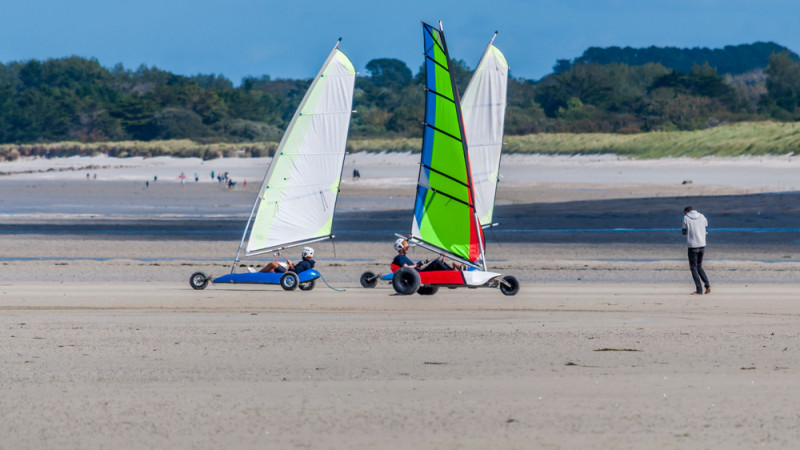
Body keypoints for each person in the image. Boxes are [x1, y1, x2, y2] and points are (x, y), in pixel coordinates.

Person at [682, 206, 711, 295]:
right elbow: (707, 231)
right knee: (699, 266)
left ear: (686, 212)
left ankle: (699, 290)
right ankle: (707, 285)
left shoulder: (686, 218)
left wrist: (690, 235)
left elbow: (684, 232)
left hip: (692, 245)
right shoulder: (702, 217)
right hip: (702, 244)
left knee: (693, 267)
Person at [391, 238, 460, 272]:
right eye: (405, 245)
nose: (407, 247)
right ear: (400, 247)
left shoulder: (403, 257)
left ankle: (453, 269)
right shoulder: (399, 257)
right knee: (436, 263)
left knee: (440, 261)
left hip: (420, 271)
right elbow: (406, 268)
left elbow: (411, 266)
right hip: (419, 274)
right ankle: (452, 272)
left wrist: (421, 263)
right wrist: (417, 264)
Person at [249, 247, 315, 274]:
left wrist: (290, 265)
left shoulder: (304, 263)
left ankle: (257, 274)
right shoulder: (309, 263)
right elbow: (297, 269)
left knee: (272, 264)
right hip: (290, 272)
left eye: (303, 253)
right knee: (275, 265)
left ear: (305, 254)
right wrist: (291, 264)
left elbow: (294, 272)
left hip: (289, 274)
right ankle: (260, 273)